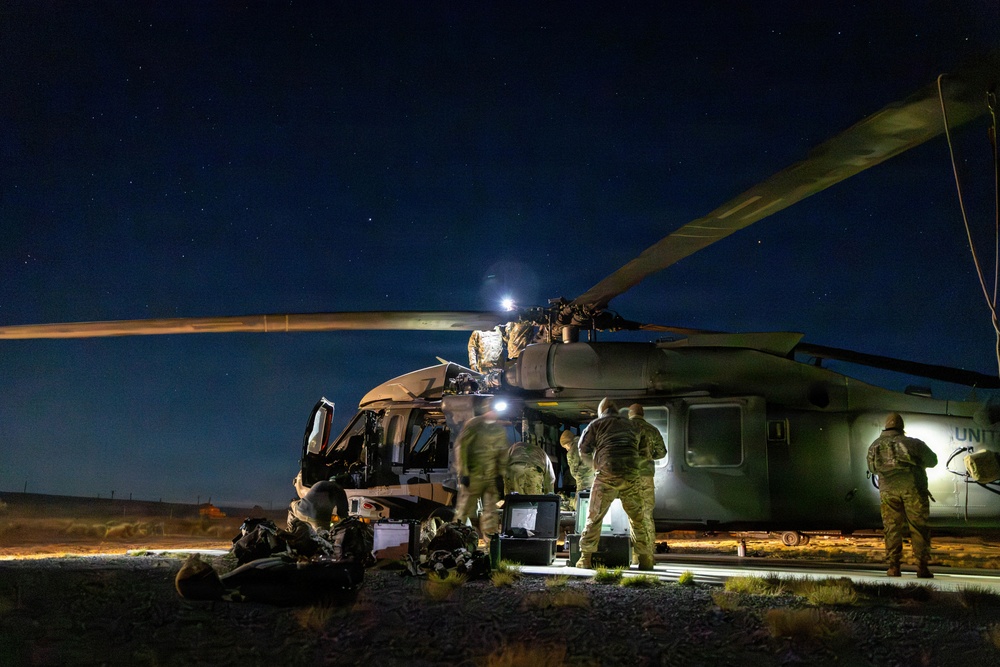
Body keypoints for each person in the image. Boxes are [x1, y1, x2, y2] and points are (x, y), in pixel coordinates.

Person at [575, 398, 653, 570]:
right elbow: (645, 453)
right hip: (631, 477)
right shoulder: (634, 425)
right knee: (638, 519)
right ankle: (645, 559)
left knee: (594, 517)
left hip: (606, 476)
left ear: (601, 411)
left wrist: (595, 466)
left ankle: (585, 558)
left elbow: (583, 450)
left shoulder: (596, 424)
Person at [866, 412, 938, 578]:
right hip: (913, 489)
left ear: (886, 426)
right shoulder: (913, 443)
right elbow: (933, 461)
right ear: (901, 427)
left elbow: (872, 468)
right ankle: (922, 567)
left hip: (888, 491)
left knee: (892, 528)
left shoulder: (874, 446)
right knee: (919, 527)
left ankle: (893, 567)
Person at [453, 409, 510, 538]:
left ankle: (492, 544)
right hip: (474, 475)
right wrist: (463, 473)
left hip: (490, 476)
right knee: (465, 509)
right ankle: (455, 537)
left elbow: (503, 452)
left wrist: (501, 474)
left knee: (491, 512)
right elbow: (462, 447)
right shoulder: (474, 425)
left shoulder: (498, 429)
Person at [628, 404, 666, 557]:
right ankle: (648, 554)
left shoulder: (626, 428)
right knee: (647, 515)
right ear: (642, 414)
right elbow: (662, 452)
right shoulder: (652, 429)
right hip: (646, 476)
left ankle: (635, 555)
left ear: (630, 414)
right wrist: (649, 457)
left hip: (629, 476)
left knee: (631, 515)